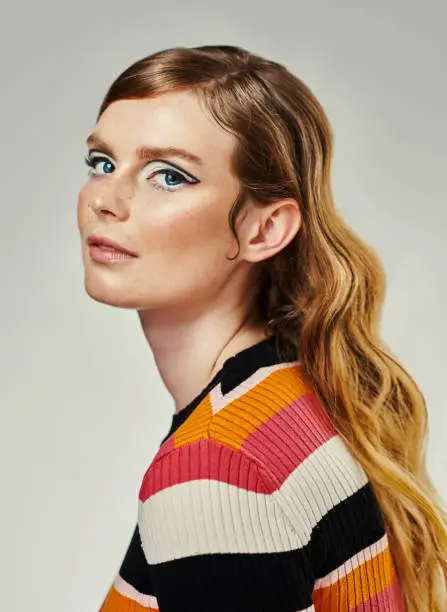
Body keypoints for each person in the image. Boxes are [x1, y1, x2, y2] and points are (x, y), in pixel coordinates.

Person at [77, 45, 447, 612]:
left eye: (168, 176)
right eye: (103, 163)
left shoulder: (217, 468)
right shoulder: (290, 395)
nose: (106, 199)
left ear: (265, 229)